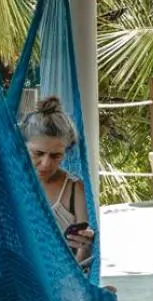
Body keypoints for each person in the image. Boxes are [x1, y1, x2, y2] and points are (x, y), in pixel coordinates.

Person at [20, 96, 96, 269]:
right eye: (38, 153)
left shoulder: (74, 189)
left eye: (56, 156)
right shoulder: (12, 184)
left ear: (66, 152)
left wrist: (86, 244)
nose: (46, 163)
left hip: (64, 280)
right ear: (22, 147)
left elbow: (83, 259)